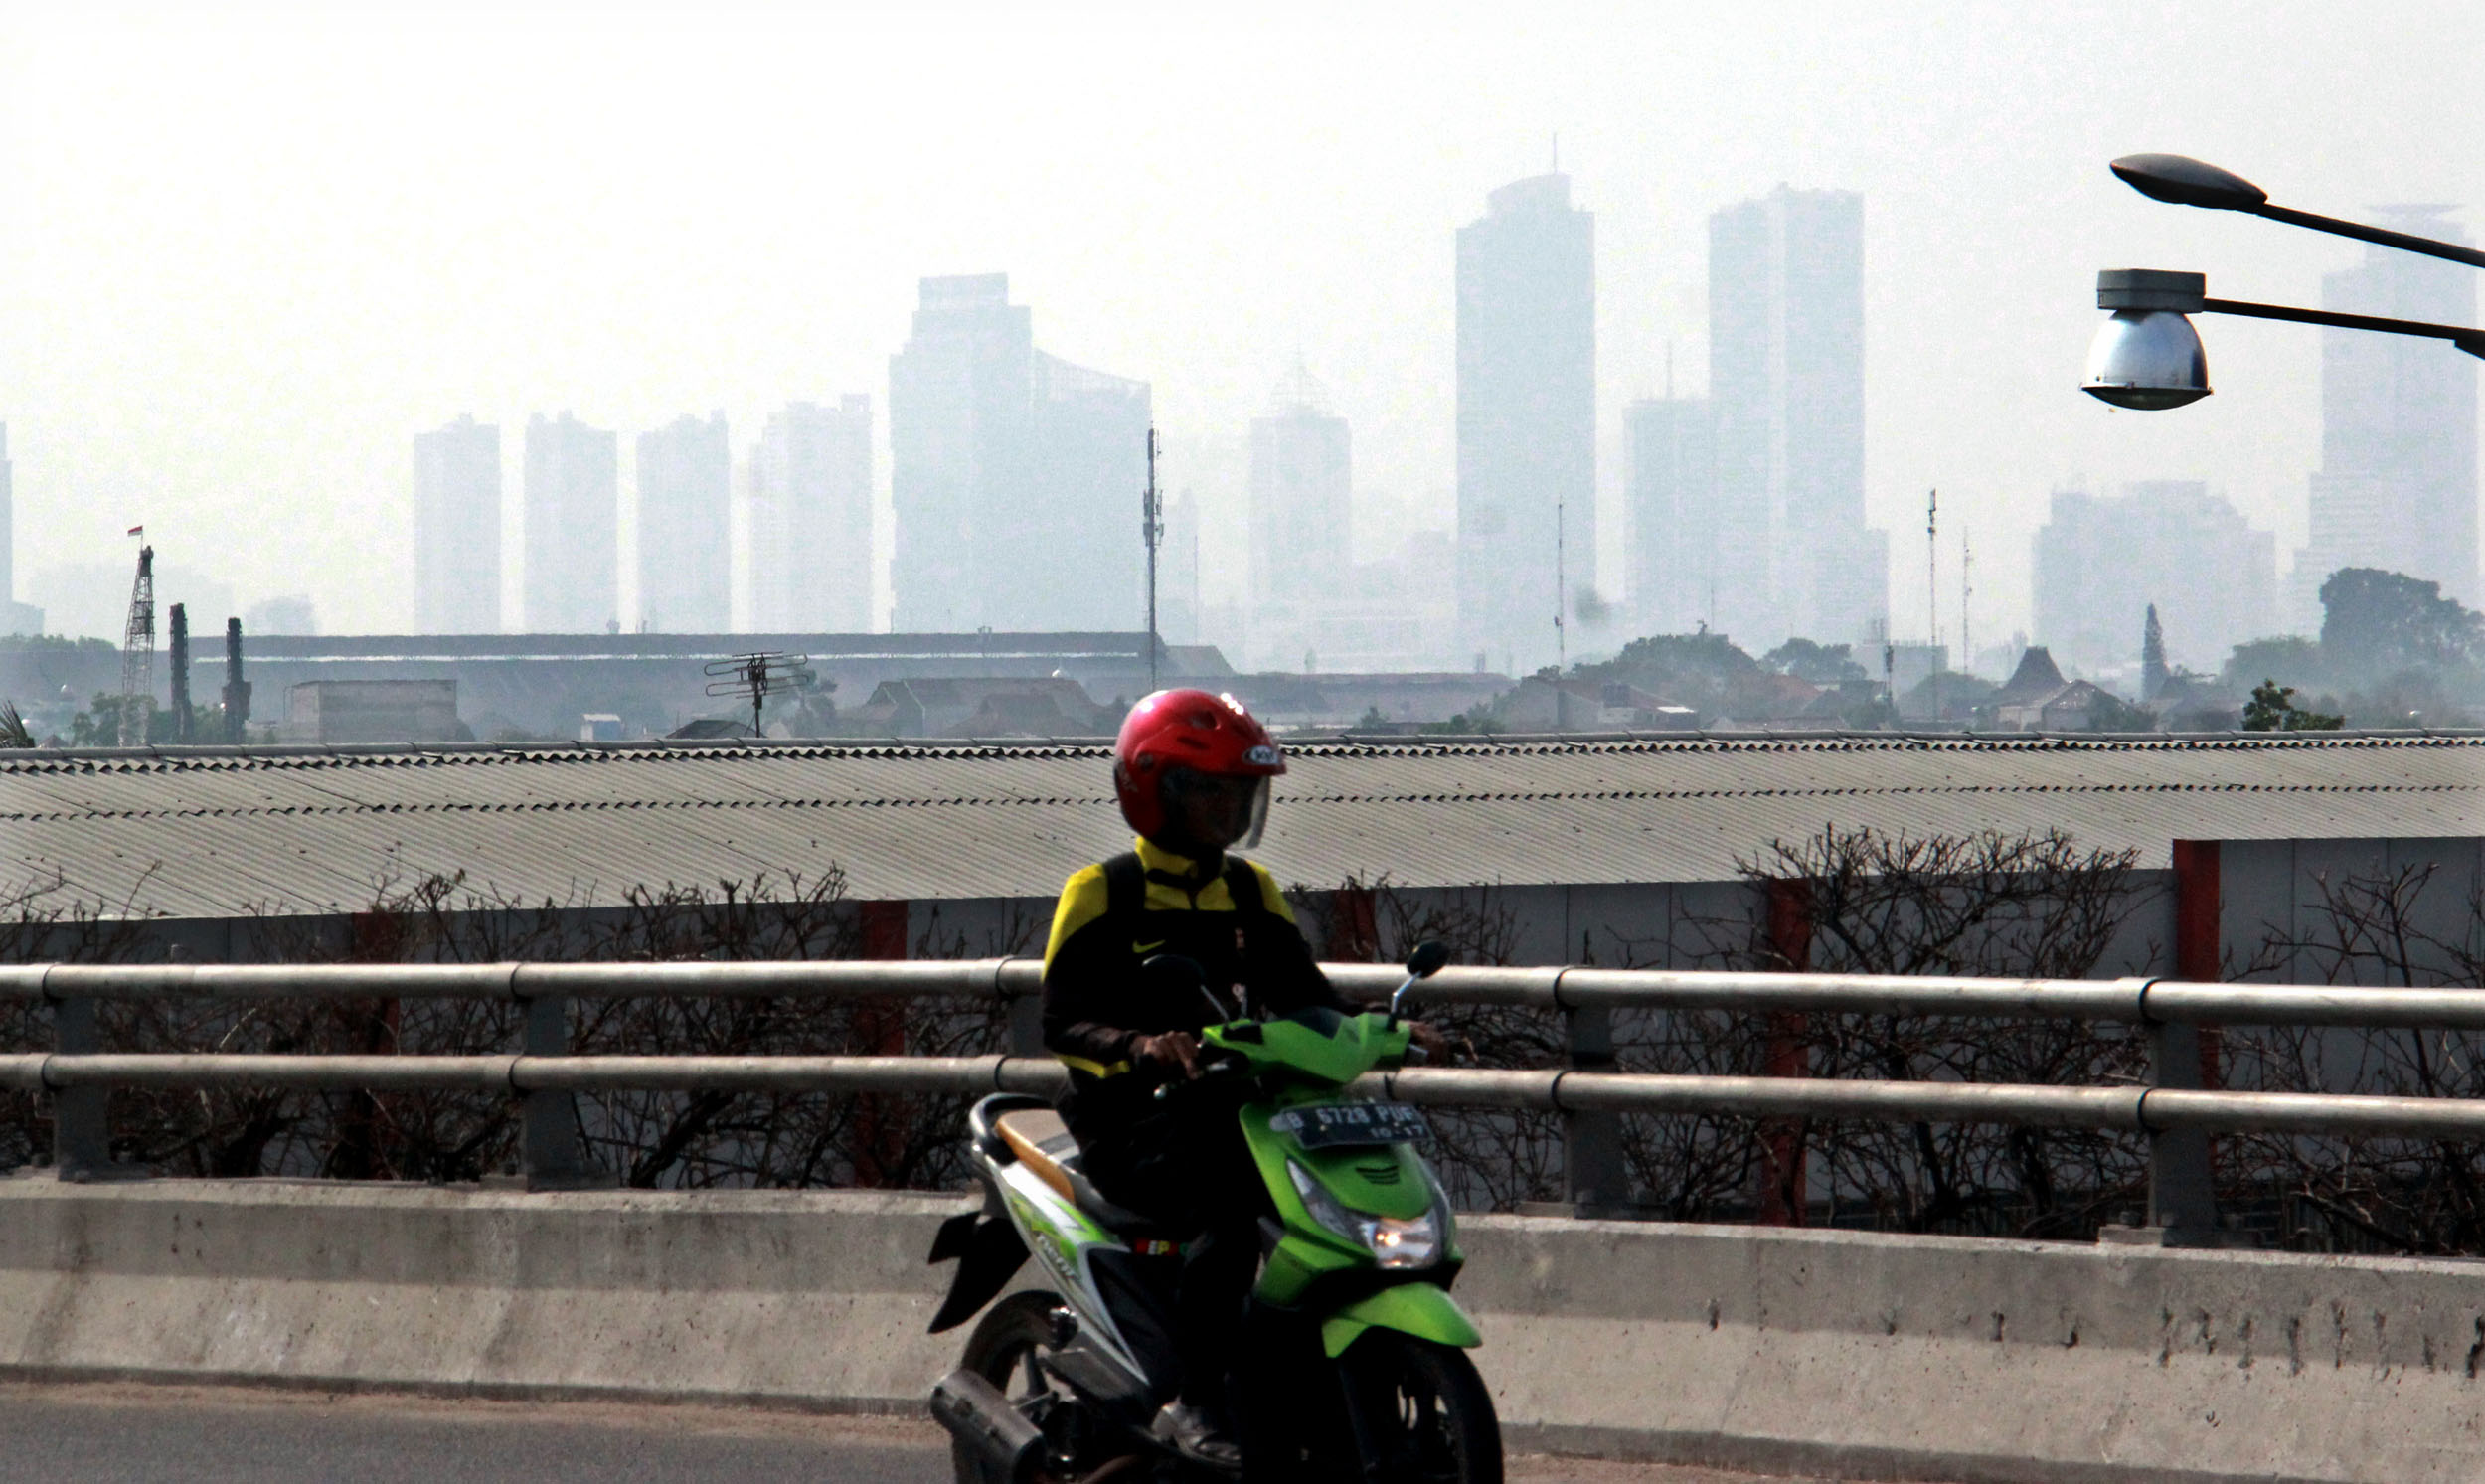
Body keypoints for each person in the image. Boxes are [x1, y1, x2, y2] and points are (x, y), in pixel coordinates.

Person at [1041, 688, 1440, 1467]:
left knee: (1330, 1203)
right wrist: (1141, 1044)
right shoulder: (1104, 892)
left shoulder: (1252, 890)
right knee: (1226, 1215)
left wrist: (1386, 1028)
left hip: (1240, 1109)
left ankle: (1301, 1379)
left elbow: (1306, 997)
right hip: (1134, 1120)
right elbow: (1062, 1022)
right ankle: (1196, 1397)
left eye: (1240, 795)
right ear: (1154, 790)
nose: (1229, 811)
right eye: (1210, 793)